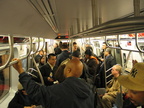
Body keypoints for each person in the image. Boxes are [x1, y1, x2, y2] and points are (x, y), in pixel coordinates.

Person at [12, 58, 94, 108]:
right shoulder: (90, 90)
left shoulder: (58, 91)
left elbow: (35, 91)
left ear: (68, 70)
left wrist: (21, 71)